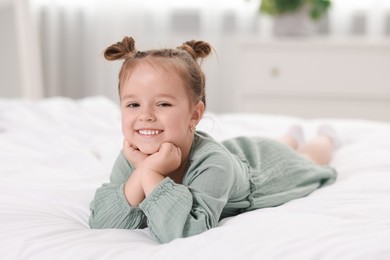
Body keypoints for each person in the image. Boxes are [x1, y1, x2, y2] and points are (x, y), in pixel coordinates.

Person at [89, 36, 338, 243]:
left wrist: (149, 172)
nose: (145, 116)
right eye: (133, 104)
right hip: (237, 156)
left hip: (266, 170)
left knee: (307, 158)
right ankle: (291, 136)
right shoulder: (131, 156)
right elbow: (104, 222)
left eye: (163, 104)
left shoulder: (213, 163)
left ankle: (326, 137)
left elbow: (186, 230)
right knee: (284, 143)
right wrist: (143, 170)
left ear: (194, 115)